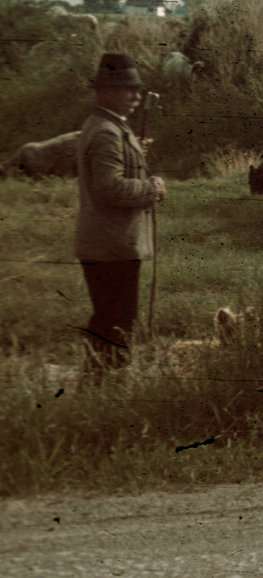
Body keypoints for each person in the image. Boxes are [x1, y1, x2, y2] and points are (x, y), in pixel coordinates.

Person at [75, 52, 165, 375]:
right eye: (129, 90)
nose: (136, 97)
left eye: (138, 91)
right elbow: (109, 188)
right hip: (111, 246)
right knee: (117, 322)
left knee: (110, 318)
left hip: (107, 243)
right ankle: (108, 382)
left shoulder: (107, 126)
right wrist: (151, 189)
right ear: (106, 91)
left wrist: (135, 153)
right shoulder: (107, 133)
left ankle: (97, 378)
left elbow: (111, 171)